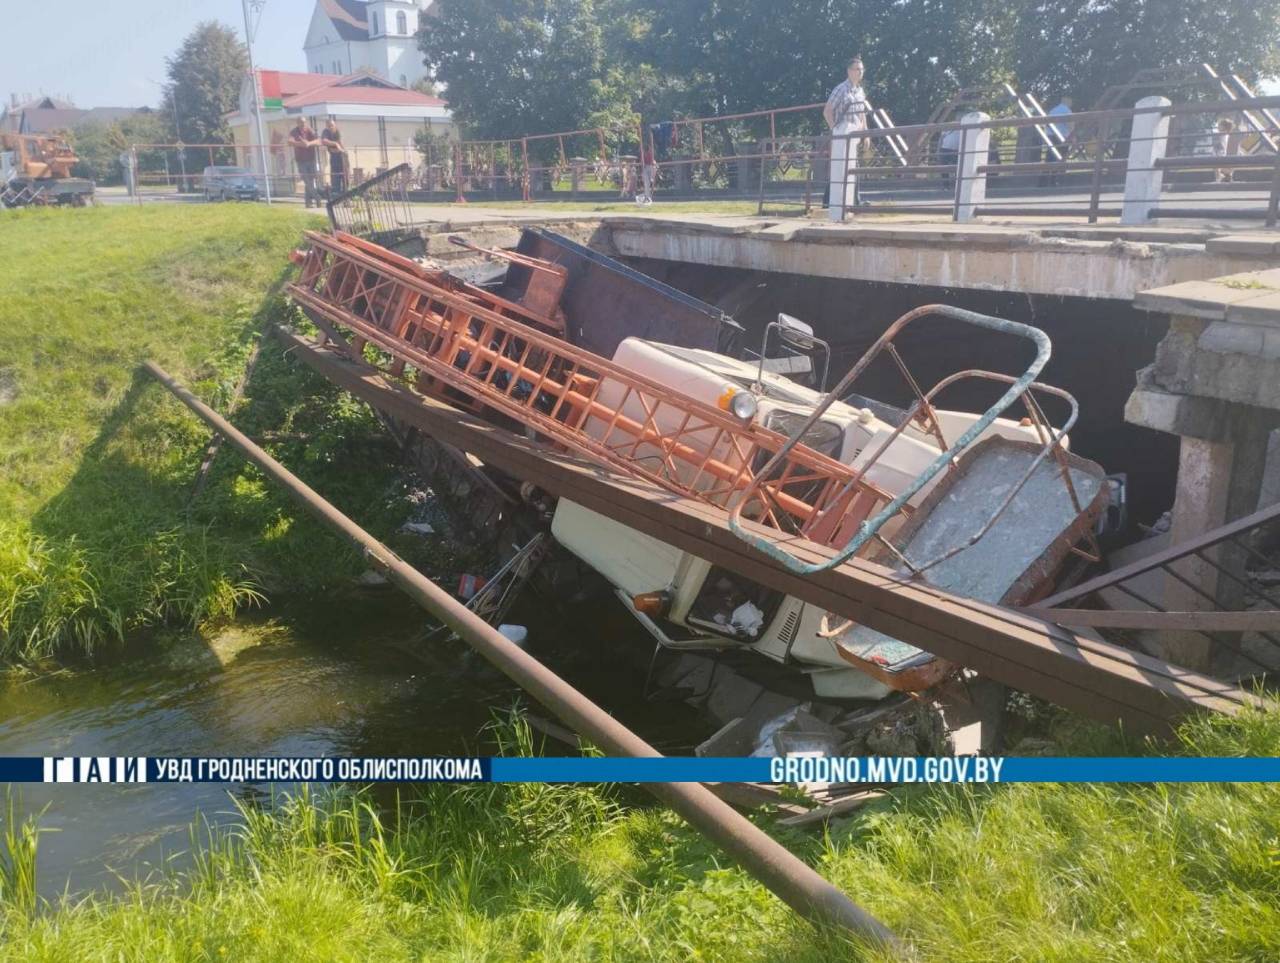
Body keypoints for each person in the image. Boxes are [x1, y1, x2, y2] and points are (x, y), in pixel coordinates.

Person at [823, 55, 872, 221]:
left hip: (855, 135)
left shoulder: (860, 91)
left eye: (862, 69)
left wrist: (866, 134)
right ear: (849, 71)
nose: (860, 72)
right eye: (857, 69)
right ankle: (828, 202)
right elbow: (827, 110)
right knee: (840, 168)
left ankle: (855, 200)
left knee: (853, 167)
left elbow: (862, 114)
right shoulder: (840, 89)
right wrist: (835, 130)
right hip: (843, 135)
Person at [288, 117, 322, 208]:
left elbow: (319, 141)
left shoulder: (309, 130)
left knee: (311, 180)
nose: (303, 124)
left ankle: (308, 202)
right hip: (301, 160)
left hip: (311, 159)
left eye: (304, 122)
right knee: (307, 180)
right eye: (301, 122)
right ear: (297, 123)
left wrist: (309, 144)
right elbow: (290, 142)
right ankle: (318, 198)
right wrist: (301, 144)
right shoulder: (294, 131)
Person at [321, 117, 348, 196]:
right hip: (334, 158)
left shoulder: (338, 132)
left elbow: (341, 145)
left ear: (335, 125)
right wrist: (335, 144)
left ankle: (346, 197)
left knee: (345, 178)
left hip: (343, 157)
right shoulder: (326, 131)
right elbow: (324, 141)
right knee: (335, 178)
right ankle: (336, 196)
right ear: (326, 126)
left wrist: (338, 147)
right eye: (329, 126)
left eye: (332, 125)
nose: (331, 127)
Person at [1214, 118, 1237, 183]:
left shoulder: (1223, 133)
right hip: (1219, 150)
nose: (1218, 126)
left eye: (1220, 125)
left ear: (1224, 127)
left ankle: (1219, 178)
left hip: (1220, 151)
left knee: (1216, 165)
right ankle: (1228, 174)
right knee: (1218, 166)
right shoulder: (1225, 133)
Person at [638, 136, 656, 205]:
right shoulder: (643, 154)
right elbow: (642, 162)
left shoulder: (650, 152)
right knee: (646, 183)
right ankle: (647, 196)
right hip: (645, 168)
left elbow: (652, 161)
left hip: (650, 167)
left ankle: (648, 195)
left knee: (651, 181)